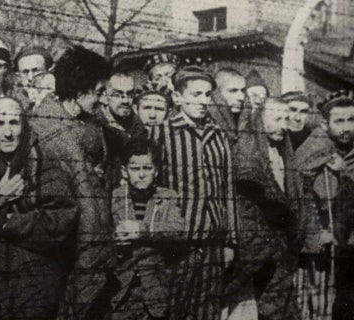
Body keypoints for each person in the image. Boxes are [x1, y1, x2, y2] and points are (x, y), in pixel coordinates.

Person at [0, 97, 79, 319]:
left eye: (14, 123)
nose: (8, 133)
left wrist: (8, 223)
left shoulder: (41, 160)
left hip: (36, 274)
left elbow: (61, 219)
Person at [30, 45, 115, 319]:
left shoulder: (86, 124)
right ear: (79, 88)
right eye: (98, 92)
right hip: (63, 246)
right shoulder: (54, 130)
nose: (102, 100)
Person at [149, 65, 236, 320]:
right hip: (177, 245)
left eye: (207, 95)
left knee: (207, 312)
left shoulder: (218, 135)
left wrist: (230, 241)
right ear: (177, 98)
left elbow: (227, 188)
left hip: (212, 244)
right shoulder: (161, 132)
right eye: (196, 94)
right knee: (173, 310)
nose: (203, 101)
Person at [226, 98, 302, 320]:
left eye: (285, 119)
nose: (283, 125)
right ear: (260, 121)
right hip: (256, 250)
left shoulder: (280, 151)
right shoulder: (248, 154)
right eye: (276, 119)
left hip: (278, 248)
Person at [295, 90, 354, 320]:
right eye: (339, 121)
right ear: (325, 124)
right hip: (322, 245)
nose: (347, 127)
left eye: (351, 120)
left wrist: (345, 173)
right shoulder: (314, 149)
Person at [110, 140, 185, 320]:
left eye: (147, 168)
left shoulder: (167, 197)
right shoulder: (113, 197)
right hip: (120, 290)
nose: (142, 175)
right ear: (124, 171)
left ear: (156, 170)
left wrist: (142, 230)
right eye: (135, 169)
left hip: (155, 292)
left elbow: (177, 229)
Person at [97, 72, 146, 187]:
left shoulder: (138, 127)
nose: (125, 101)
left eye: (129, 94)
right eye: (117, 95)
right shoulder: (95, 126)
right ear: (104, 97)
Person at [209, 68, 249, 147]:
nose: (241, 97)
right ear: (217, 93)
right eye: (233, 91)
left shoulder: (248, 121)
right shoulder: (207, 123)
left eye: (243, 91)